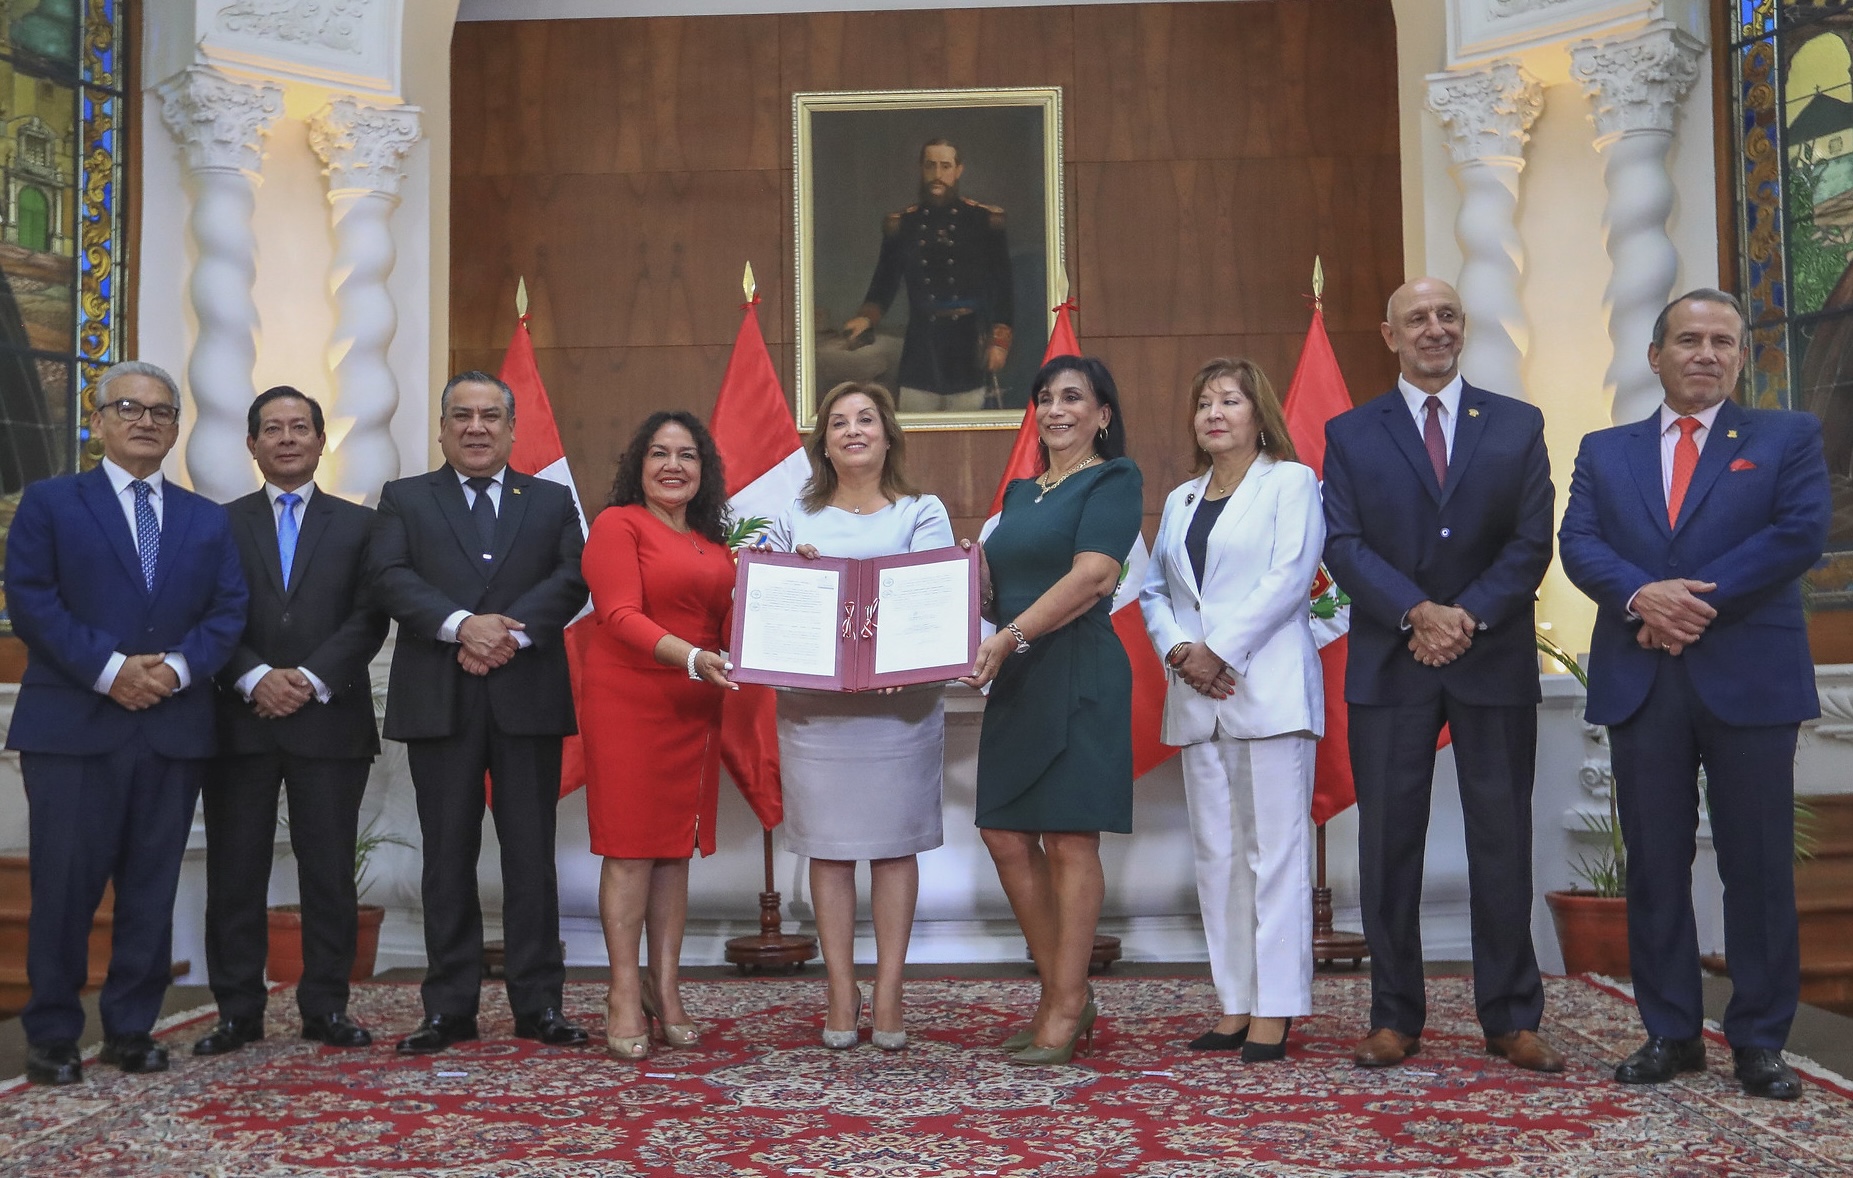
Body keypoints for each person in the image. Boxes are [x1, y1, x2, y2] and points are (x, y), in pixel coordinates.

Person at [1559, 289, 1831, 1101]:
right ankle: (1670, 1031)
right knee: (1653, 865)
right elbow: (1578, 543)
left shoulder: (1787, 436)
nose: (1705, 353)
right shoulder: (1605, 450)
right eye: (1688, 340)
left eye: (1722, 341)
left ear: (1740, 356)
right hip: (1644, 681)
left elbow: (1796, 534)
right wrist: (1643, 598)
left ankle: (1758, 1041)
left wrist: (1686, 603)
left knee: (1755, 868)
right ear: (1656, 355)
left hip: (1749, 679)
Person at [1322, 277, 1563, 1073]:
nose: (1434, 328)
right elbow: (1343, 543)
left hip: (1488, 654)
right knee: (1390, 843)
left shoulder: (1518, 423)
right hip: (1392, 660)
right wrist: (1416, 613)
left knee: (1502, 838)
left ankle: (1509, 1017)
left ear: (1463, 328)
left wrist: (1462, 617)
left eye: (1447, 315)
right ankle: (1393, 1016)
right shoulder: (1351, 433)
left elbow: (1531, 543)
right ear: (1388, 336)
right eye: (1417, 318)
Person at [4, 361, 246, 1085]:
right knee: (65, 888)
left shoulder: (207, 517)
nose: (146, 421)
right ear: (98, 421)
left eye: (162, 411)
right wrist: (112, 671)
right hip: (73, 728)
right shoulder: (48, 503)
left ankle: (131, 1030)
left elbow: (228, 611)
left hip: (171, 728)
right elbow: (33, 601)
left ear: (176, 427)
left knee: (150, 887)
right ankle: (51, 1033)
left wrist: (172, 670)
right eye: (129, 408)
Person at [369, 370, 589, 1055]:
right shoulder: (404, 498)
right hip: (440, 697)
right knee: (446, 856)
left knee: (530, 857)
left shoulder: (550, 500)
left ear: (511, 428)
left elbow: (574, 576)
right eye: (461, 415)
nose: (475, 426)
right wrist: (463, 625)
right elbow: (389, 577)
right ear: (441, 428)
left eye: (490, 415)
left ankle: (538, 1005)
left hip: (525, 697)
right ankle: (449, 1008)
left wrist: (507, 634)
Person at [192, 387, 390, 1058]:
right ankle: (237, 1012)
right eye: (271, 429)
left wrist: (306, 679)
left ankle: (325, 1007)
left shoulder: (362, 526)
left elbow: (369, 617)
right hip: (239, 721)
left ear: (320, 440)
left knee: (329, 872)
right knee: (235, 872)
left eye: (298, 427)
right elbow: (206, 612)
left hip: (328, 722)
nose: (285, 438)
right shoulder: (214, 523)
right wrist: (253, 676)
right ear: (251, 445)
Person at [1140, 358, 1324, 1063]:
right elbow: (1155, 591)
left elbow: (1289, 577)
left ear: (1258, 413)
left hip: (1266, 689)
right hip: (1196, 696)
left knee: (1272, 855)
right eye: (1204, 402)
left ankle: (1276, 1009)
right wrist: (1184, 653)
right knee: (1217, 856)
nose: (1214, 412)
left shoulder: (1290, 481)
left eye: (1230, 400)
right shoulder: (1183, 498)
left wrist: (1219, 651)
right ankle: (1234, 1004)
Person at [962, 355, 1142, 1066]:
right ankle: (1062, 990)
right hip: (1018, 675)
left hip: (1075, 671)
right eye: (1044, 398)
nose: (1055, 409)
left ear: (1102, 414)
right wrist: (964, 587)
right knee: (1004, 834)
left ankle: (1065, 1002)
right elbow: (996, 590)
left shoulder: (1112, 479)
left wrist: (1008, 635)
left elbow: (1094, 575)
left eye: (1073, 397)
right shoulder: (1017, 494)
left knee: (1070, 839)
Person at [765, 381, 954, 1050]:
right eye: (838, 421)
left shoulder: (921, 511)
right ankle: (841, 989)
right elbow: (766, 597)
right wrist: (795, 569)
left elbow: (930, 595)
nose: (852, 430)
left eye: (865, 419)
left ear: (887, 433)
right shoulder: (792, 518)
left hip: (897, 709)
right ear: (823, 441)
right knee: (830, 847)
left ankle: (891, 986)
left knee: (894, 843)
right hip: (818, 712)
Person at [580, 411, 739, 1061]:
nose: (673, 465)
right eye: (658, 453)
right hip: (628, 700)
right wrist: (690, 656)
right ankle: (622, 991)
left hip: (692, 708)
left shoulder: (712, 542)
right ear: (637, 466)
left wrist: (794, 574)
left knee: (672, 850)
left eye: (687, 455)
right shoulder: (618, 525)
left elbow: (736, 621)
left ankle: (665, 987)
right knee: (629, 850)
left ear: (704, 471)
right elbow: (617, 615)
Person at [842, 138, 1013, 413]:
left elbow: (1003, 289)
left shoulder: (984, 222)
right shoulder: (903, 225)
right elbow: (885, 281)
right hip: (922, 348)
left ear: (958, 170)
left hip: (968, 349)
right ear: (921, 169)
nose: (937, 174)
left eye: (945, 166)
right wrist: (867, 317)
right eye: (930, 165)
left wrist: (999, 343)